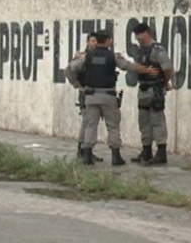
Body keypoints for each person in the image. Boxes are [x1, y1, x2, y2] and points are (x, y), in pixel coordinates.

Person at [66, 30, 156, 166]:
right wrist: (147, 69)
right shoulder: (113, 57)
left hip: (91, 95)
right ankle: (115, 156)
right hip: (108, 95)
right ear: (108, 41)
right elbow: (128, 66)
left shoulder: (86, 57)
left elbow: (69, 70)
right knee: (113, 126)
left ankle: (87, 155)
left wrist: (79, 86)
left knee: (90, 126)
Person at [130, 23, 173, 166]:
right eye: (136, 36)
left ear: (147, 33)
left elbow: (167, 69)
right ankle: (146, 150)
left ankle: (161, 152)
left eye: (140, 35)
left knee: (157, 121)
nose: (138, 39)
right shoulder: (141, 50)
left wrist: (164, 83)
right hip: (143, 89)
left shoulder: (157, 49)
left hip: (154, 89)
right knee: (144, 122)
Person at [73, 33, 101, 160]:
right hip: (86, 92)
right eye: (93, 40)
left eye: (96, 41)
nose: (95, 43)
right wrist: (79, 87)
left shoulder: (99, 55)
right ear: (87, 42)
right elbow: (70, 71)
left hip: (97, 93)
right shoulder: (82, 58)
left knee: (91, 122)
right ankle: (82, 150)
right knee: (87, 121)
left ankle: (86, 150)